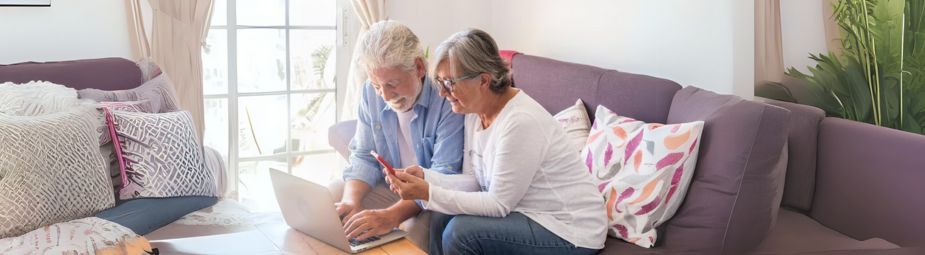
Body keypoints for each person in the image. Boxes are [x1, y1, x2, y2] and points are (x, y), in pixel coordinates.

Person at [387, 29, 607, 255]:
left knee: (460, 232)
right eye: (440, 82)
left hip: (569, 230)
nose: (442, 93)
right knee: (441, 216)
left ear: (483, 80)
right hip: (526, 212)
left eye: (450, 83)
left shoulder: (520, 121)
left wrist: (428, 193)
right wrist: (427, 177)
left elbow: (498, 204)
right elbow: (474, 182)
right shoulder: (474, 112)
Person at [332, 20, 464, 249]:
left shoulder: (446, 98)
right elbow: (363, 155)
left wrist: (390, 217)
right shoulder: (369, 93)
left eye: (392, 84)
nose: (384, 95)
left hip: (429, 199)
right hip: (390, 187)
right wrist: (350, 202)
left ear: (419, 68)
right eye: (376, 85)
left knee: (409, 232)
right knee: (332, 198)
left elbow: (443, 177)